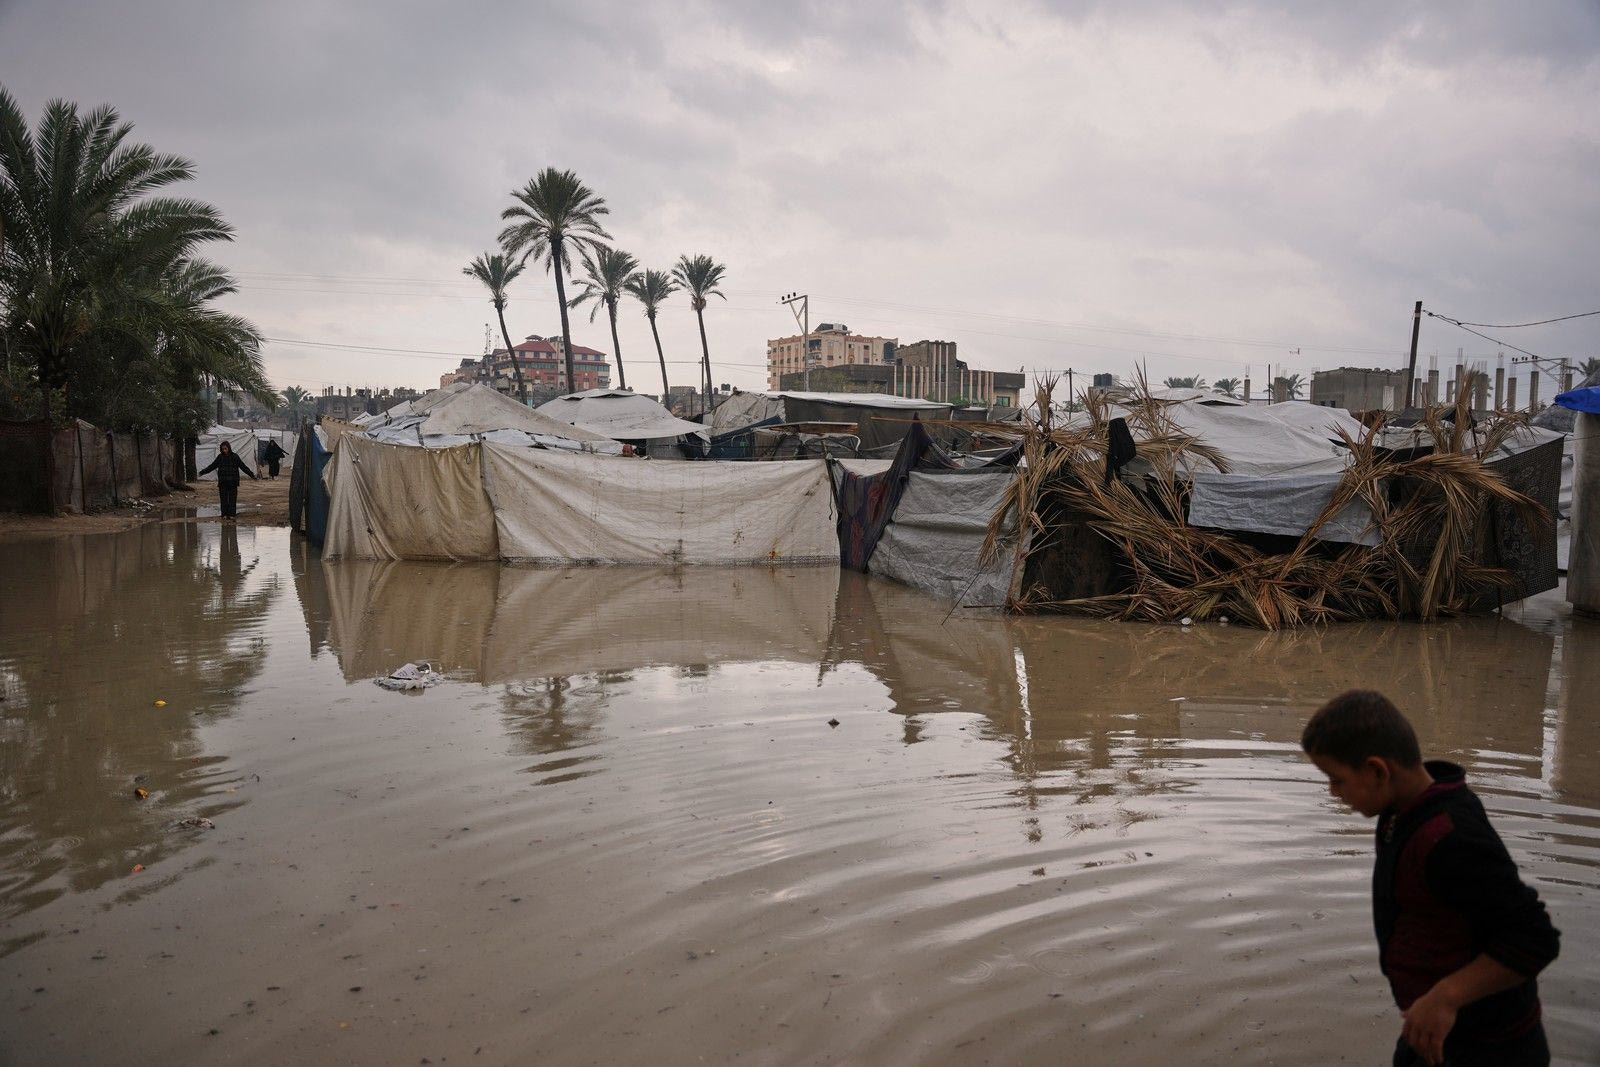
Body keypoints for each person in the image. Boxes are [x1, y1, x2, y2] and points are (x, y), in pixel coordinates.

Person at [1301, 691, 1560, 1066]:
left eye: (1337, 779)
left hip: (1490, 1048)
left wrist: (1447, 996)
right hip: (1434, 1029)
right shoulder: (1400, 813)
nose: (1333, 793)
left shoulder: (1450, 838)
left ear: (1377, 771)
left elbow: (1536, 938)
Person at [197, 440, 257, 520]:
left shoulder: (235, 457)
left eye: (225, 448)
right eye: (223, 449)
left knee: (232, 499)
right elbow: (212, 466)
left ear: (229, 448)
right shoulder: (220, 457)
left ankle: (232, 514)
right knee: (223, 499)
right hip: (223, 482)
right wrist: (202, 472)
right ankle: (224, 515)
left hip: (233, 482)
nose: (224, 450)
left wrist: (252, 475)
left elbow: (243, 467)